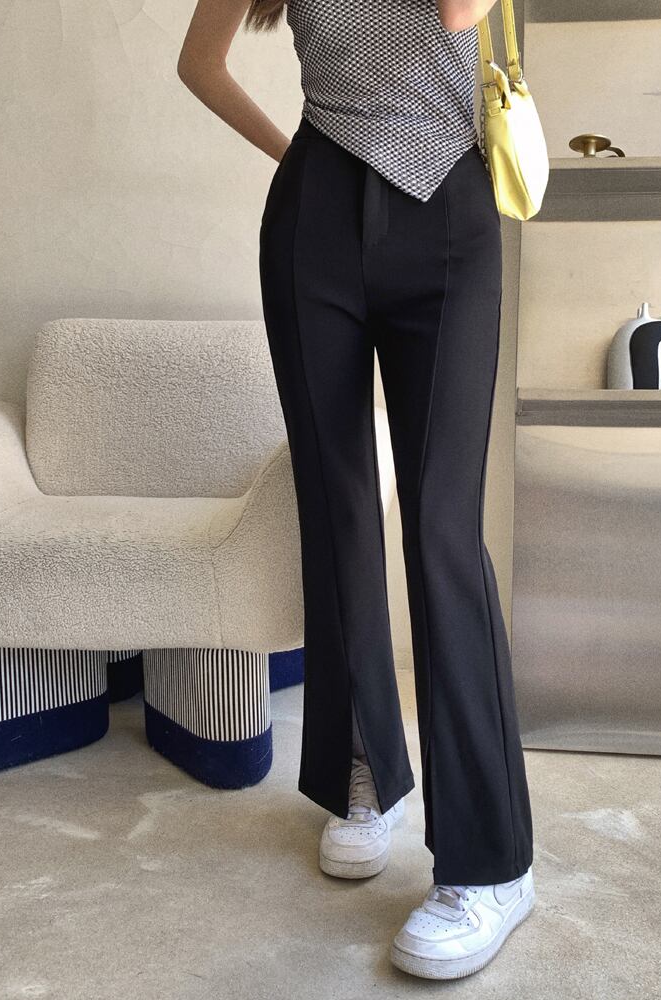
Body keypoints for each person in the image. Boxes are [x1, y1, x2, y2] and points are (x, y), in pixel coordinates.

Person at [177, 0, 535, 979]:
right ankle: (361, 767)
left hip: (448, 207)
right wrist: (296, 160)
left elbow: (459, 12)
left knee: (440, 530)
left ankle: (492, 865)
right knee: (336, 512)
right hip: (317, 214)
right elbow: (199, 62)